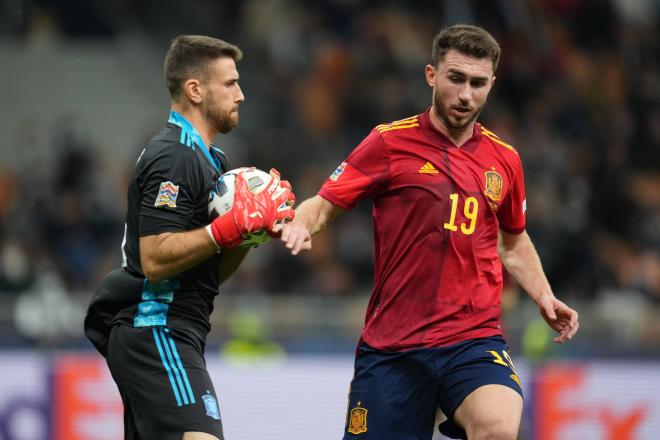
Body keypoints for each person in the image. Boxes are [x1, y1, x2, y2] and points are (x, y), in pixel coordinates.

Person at [278, 24, 579, 440]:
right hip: (394, 347)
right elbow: (326, 202)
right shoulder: (387, 142)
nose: (465, 94)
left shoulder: (505, 160)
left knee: (497, 425)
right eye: (456, 78)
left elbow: (513, 241)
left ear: (491, 84)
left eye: (477, 83)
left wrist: (544, 295)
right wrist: (301, 223)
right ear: (431, 75)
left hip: (472, 338)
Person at [84, 35, 295, 440]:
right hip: (156, 328)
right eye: (230, 83)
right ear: (195, 90)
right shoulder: (175, 155)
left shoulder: (211, 161)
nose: (242, 94)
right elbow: (156, 259)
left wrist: (252, 234)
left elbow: (206, 272)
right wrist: (224, 229)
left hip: (176, 331)